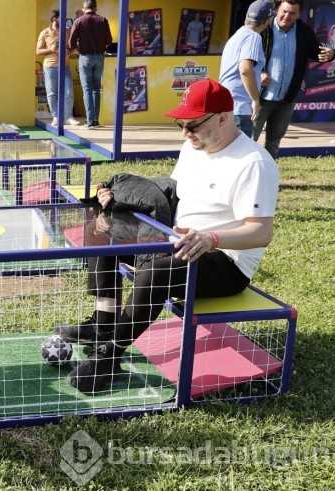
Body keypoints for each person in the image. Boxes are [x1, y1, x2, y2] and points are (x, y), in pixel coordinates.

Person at [53, 79, 279, 393]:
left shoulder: (254, 163)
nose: (185, 134)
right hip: (175, 240)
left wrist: (210, 238)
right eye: (181, 124)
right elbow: (172, 193)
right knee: (101, 229)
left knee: (156, 272)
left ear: (223, 118)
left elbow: (261, 232)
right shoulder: (193, 146)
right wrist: (118, 201)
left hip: (224, 262)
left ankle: (111, 357)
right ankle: (104, 324)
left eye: (192, 126)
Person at [253, 0, 335, 158]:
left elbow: (318, 53)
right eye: (284, 11)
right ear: (276, 9)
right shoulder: (262, 28)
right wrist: (259, 73)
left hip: (286, 99)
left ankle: (269, 177)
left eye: (292, 13)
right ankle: (244, 178)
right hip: (259, 98)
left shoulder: (304, 31)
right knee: (249, 139)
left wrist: (331, 54)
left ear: (299, 14)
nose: (287, 16)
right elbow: (247, 58)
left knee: (273, 143)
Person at [219, 0, 274, 137]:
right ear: (268, 21)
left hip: (226, 104)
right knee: (240, 154)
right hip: (239, 107)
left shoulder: (237, 36)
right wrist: (255, 100)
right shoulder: (253, 37)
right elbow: (245, 69)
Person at [69, 0, 112, 128]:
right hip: (99, 57)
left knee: (87, 89)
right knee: (96, 89)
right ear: (96, 8)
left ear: (84, 8)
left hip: (85, 57)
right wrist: (101, 48)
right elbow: (109, 40)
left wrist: (78, 49)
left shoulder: (79, 21)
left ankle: (90, 121)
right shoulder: (103, 20)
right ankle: (95, 120)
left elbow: (71, 43)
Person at [36, 10, 80, 127]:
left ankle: (68, 116)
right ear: (55, 19)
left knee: (68, 92)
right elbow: (38, 51)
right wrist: (51, 49)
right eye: (62, 17)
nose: (64, 20)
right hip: (50, 67)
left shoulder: (67, 31)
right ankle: (55, 117)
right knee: (52, 93)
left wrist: (68, 50)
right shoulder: (44, 33)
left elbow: (71, 46)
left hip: (65, 66)